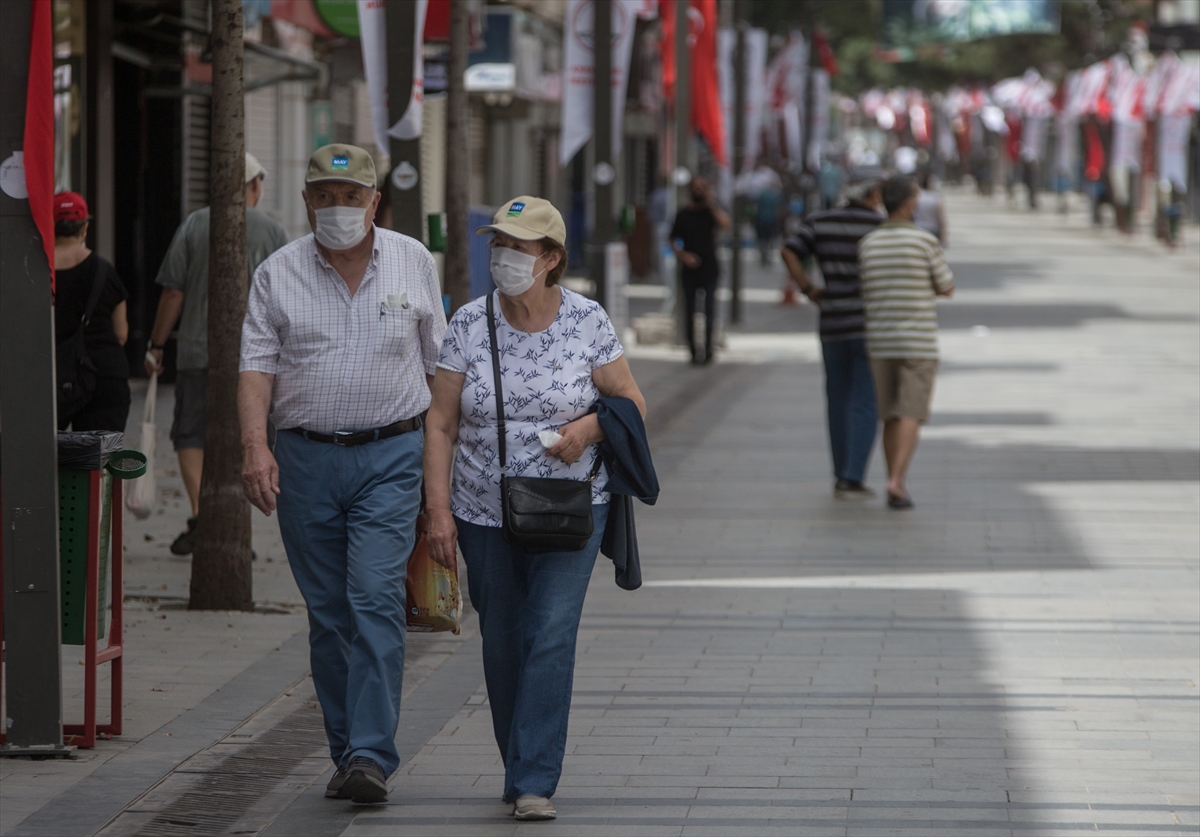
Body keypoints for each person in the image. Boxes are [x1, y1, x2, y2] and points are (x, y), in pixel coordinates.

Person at [424, 196, 646, 821]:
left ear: (550, 260)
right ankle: (519, 762)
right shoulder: (468, 323)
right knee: (502, 641)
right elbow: (439, 424)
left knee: (549, 633)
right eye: (498, 244)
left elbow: (631, 404)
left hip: (573, 506)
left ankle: (533, 779)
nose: (502, 257)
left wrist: (589, 431)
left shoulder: (587, 321)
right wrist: (437, 512)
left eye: (517, 248)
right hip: (481, 509)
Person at [238, 144, 446, 804]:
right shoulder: (277, 273)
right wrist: (255, 448)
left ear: (374, 202)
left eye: (351, 196)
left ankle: (370, 753)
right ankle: (345, 745)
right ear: (304, 202)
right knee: (329, 616)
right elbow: (256, 365)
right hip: (304, 459)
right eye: (324, 196)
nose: (338, 208)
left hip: (391, 457)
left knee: (375, 597)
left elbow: (440, 367)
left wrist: (444, 477)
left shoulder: (413, 260)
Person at [145, 152, 289, 556]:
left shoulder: (194, 224)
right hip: (258, 360)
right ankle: (233, 517)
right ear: (254, 185)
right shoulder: (274, 233)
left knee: (190, 433)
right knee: (254, 436)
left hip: (196, 351)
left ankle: (199, 511)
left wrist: (156, 345)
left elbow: (174, 290)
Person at [781, 168, 885, 499]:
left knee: (837, 398)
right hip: (870, 324)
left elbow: (789, 251)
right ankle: (854, 475)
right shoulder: (878, 228)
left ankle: (840, 472)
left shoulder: (819, 221)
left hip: (832, 322)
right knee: (866, 399)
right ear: (872, 196)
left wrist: (808, 287)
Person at [858, 175, 954, 510]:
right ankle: (897, 480)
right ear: (910, 203)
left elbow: (866, 286)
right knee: (911, 410)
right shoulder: (924, 242)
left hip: (881, 339)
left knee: (889, 414)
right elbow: (946, 286)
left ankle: (892, 475)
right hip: (918, 341)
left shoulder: (868, 243)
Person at [53, 191, 131, 432]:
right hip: (104, 376)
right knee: (102, 460)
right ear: (84, 228)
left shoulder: (37, 273)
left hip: (52, 378)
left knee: (43, 458)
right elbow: (120, 334)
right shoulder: (104, 271)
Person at [670, 176, 732, 364]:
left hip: (710, 268)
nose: (698, 191)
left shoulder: (710, 212)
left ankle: (709, 349)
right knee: (689, 310)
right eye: (695, 187)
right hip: (689, 271)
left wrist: (711, 204)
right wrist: (684, 256)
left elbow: (726, 225)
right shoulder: (683, 214)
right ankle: (692, 349)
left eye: (702, 187)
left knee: (710, 310)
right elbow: (673, 240)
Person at [913, 169, 947, 245]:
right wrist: (944, 236)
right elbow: (941, 217)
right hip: (932, 230)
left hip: (918, 228)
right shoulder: (935, 197)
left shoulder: (916, 197)